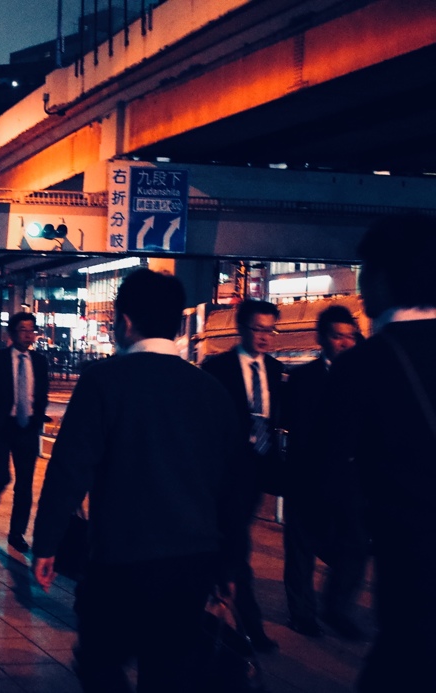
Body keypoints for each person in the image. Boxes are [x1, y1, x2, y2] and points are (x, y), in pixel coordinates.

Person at [32, 269, 246, 692]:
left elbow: (71, 468)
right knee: (169, 671)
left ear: (126, 321)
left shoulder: (104, 381)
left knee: (98, 660)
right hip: (192, 562)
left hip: (120, 560)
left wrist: (47, 543)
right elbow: (233, 488)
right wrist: (230, 562)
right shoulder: (211, 390)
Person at [324, 214, 436, 692]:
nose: (362, 290)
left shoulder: (361, 367)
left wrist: (345, 552)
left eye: (365, 274)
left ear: (386, 278)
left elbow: (329, 471)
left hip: (411, 566)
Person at [200, 299, 284, 652]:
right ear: (241, 328)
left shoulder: (276, 369)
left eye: (269, 330)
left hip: (258, 470)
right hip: (225, 472)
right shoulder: (217, 367)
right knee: (237, 546)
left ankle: (214, 595)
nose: (264, 337)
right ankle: (251, 628)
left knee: (227, 547)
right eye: (257, 329)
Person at [282, 305, 366, 639]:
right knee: (300, 551)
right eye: (337, 336)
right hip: (309, 478)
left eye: (350, 336)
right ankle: (302, 614)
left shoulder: (367, 379)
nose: (345, 343)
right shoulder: (303, 379)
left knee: (356, 547)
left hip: (352, 481)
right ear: (321, 339)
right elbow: (298, 431)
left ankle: (338, 609)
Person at [0, 311, 49, 553]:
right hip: (1, 427)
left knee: (25, 484)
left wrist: (37, 419)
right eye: (23, 330)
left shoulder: (40, 361)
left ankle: (17, 533)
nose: (28, 334)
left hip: (27, 428)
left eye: (31, 330)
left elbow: (42, 395)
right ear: (12, 333)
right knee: (1, 474)